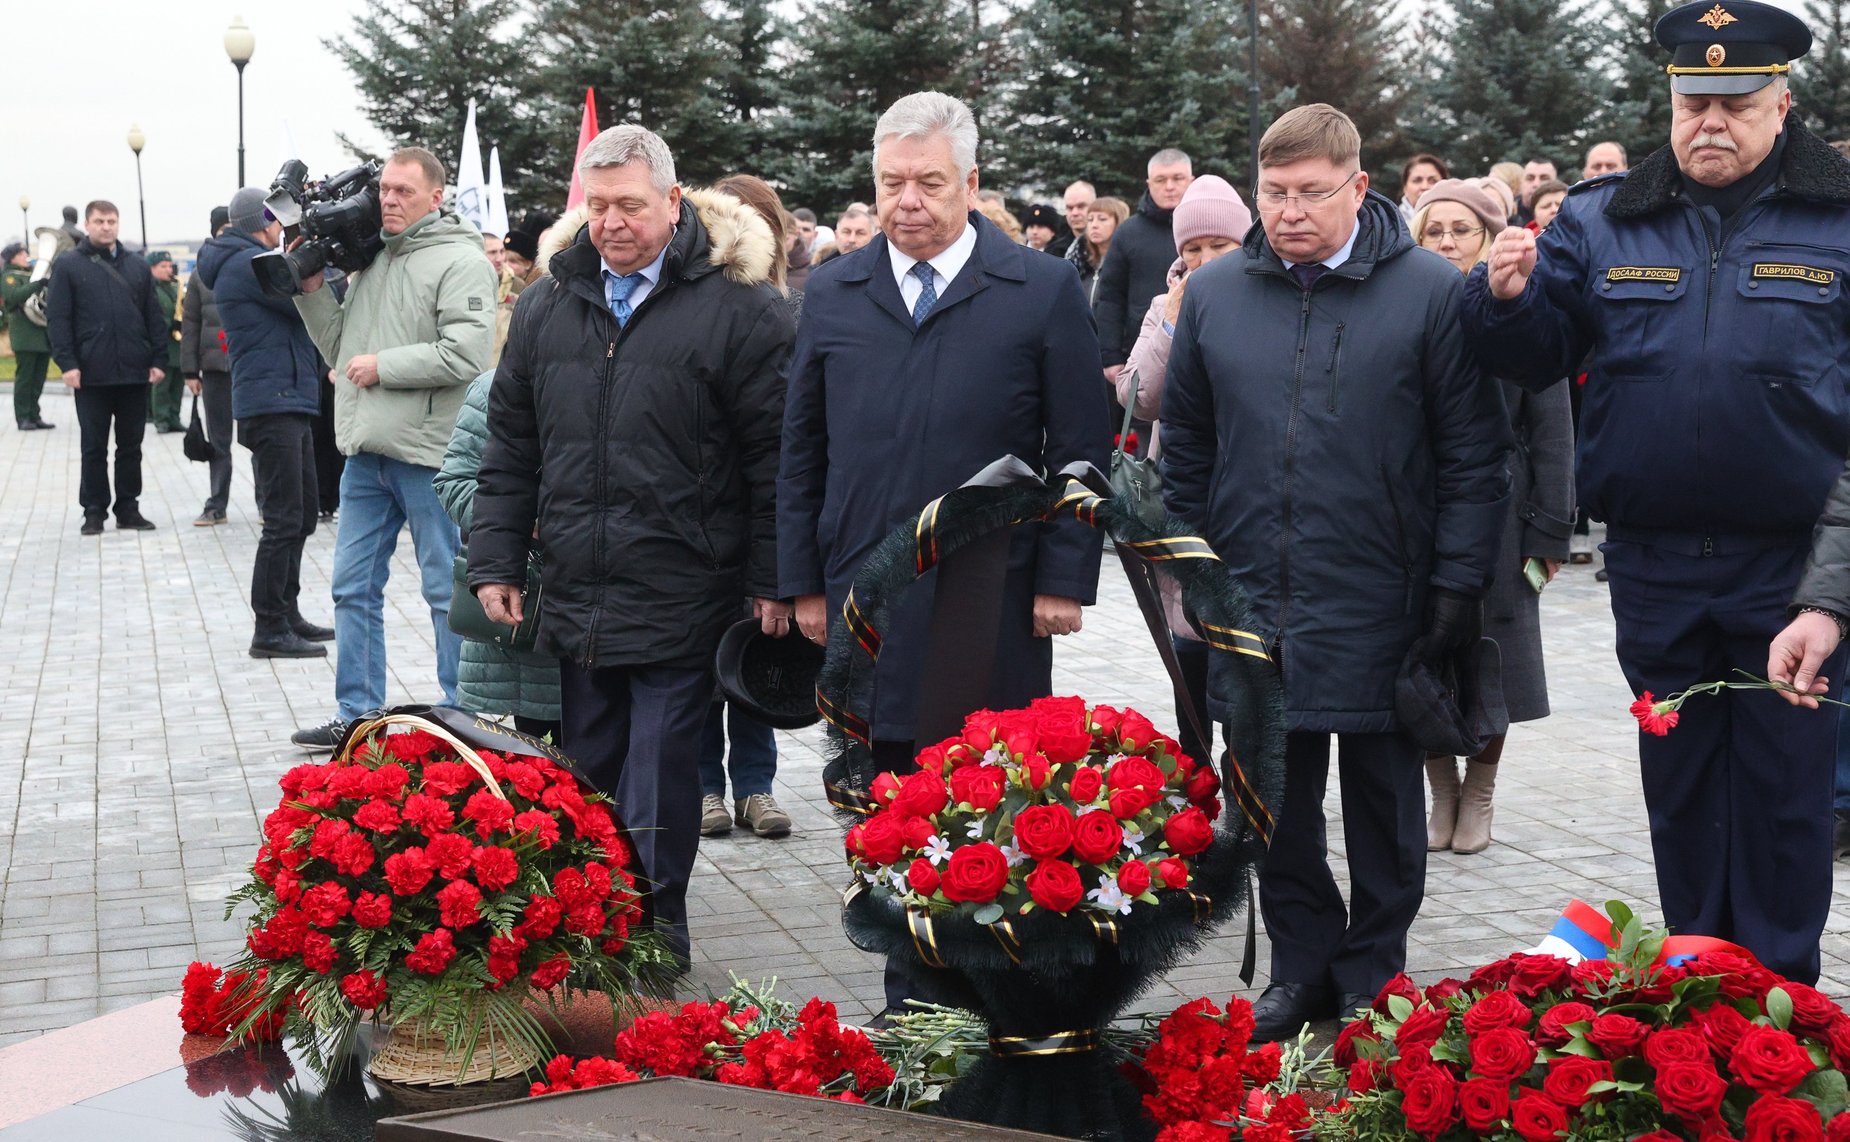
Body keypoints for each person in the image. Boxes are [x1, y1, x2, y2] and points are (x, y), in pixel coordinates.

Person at [1464, 0, 1847, 983]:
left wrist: (1829, 594)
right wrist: (1503, 298)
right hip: (1652, 565)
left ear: (1781, 105)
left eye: (1734, 103)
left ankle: (1779, 1005)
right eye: (1691, 103)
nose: (1709, 123)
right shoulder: (1604, 218)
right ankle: (1698, 987)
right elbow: (1535, 354)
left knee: (1786, 797)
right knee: (1679, 789)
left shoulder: (1838, 218)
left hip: (1791, 568)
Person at [1161, 104, 1511, 1040]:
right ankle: (1301, 966)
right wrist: (1187, 566)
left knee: (1385, 801)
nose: (1290, 212)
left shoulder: (1431, 291)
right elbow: (1186, 442)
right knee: (1272, 798)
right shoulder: (1217, 292)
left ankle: (1373, 968)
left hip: (1383, 593)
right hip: (1250, 596)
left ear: (1359, 187)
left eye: (1312, 193)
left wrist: (1456, 586)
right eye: (1274, 192)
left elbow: (1474, 455)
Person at [780, 90, 1109, 1016]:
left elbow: (1080, 447)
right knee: (884, 794)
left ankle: (989, 984)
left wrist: (1064, 577)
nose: (908, 200)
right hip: (866, 589)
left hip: (989, 593)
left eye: (929, 181)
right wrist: (800, 582)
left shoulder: (1038, 288)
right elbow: (801, 447)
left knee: (984, 788)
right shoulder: (835, 290)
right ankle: (910, 994)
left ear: (971, 181)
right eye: (892, 183)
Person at [471, 126, 795, 963]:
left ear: (674, 202)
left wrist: (775, 578)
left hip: (688, 587)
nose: (612, 222)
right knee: (591, 769)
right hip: (580, 589)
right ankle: (595, 924)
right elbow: (510, 445)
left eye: (631, 205)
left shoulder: (742, 309)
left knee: (660, 765)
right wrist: (496, 559)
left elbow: (777, 459)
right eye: (598, 205)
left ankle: (656, 928)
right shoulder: (548, 304)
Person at [287, 147, 498, 749]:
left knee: (445, 590)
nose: (389, 200)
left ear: (437, 197)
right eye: (385, 190)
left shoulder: (462, 260)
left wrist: (384, 365)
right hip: (365, 455)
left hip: (430, 456)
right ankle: (357, 715)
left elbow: (467, 353)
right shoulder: (373, 258)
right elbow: (340, 350)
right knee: (350, 588)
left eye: (404, 191)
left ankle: (462, 716)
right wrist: (311, 291)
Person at [1410, 179, 1574, 855]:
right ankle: (1441, 793)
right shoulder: (1405, 307)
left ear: (1486, 238)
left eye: (1462, 230)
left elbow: (1553, 430)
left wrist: (1550, 531)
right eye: (1434, 230)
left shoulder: (1523, 305)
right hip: (1419, 516)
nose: (1447, 241)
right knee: (1419, 655)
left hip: (1506, 519)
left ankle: (1478, 792)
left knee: (1496, 661)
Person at [1115, 175, 1253, 767]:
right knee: (1187, 640)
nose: (1204, 260)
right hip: (1179, 497)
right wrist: (1173, 317)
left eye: (1219, 246)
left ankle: (1245, 775)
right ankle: (1196, 770)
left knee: (1242, 647)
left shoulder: (1263, 303)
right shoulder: (1163, 307)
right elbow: (1138, 396)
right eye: (1192, 249)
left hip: (1246, 497)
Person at [197, 185, 335, 659]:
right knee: (282, 520)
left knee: (302, 513)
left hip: (286, 398)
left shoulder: (248, 259)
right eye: (278, 218)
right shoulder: (247, 265)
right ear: (265, 221)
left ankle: (287, 611)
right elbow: (303, 298)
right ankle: (270, 627)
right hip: (271, 402)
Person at [703, 170, 800, 840]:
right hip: (705, 514)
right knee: (704, 658)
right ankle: (706, 787)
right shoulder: (701, 305)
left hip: (768, 508)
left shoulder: (790, 309)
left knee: (762, 650)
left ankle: (756, 786)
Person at [434, 370, 561, 742]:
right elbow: (455, 482)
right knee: (548, 754)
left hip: (620, 618)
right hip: (534, 622)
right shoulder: (495, 388)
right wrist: (526, 519)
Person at [45, 200, 167, 535]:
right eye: (99, 221)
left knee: (131, 447)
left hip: (133, 372)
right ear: (87, 224)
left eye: (111, 221)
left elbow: (153, 316)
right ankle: (94, 510)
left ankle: (128, 508)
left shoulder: (137, 266)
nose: (106, 227)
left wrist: (158, 359)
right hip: (91, 374)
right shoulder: (68, 265)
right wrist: (67, 363)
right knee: (93, 447)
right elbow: (58, 319)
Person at [1094, 148, 1195, 381]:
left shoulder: (1209, 227)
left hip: (1200, 350)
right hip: (1141, 356)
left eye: (1177, 178)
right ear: (1149, 184)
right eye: (1160, 180)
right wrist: (1110, 356)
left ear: (1191, 180)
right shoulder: (1128, 233)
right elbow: (1110, 297)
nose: (1169, 186)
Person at [181, 207, 234, 525]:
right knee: (218, 441)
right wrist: (190, 370)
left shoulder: (251, 264)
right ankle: (217, 504)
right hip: (214, 368)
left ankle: (267, 503)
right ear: (214, 232)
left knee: (259, 438)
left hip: (247, 365)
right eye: (223, 230)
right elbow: (190, 323)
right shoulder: (201, 273)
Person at [1, 242, 54, 430]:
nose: (26, 256)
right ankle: (23, 417)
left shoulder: (31, 275)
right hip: (25, 334)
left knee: (38, 379)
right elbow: (15, 296)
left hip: (41, 332)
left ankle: (34, 415)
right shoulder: (8, 276)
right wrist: (37, 284)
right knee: (25, 379)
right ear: (13, 257)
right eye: (22, 254)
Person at [146, 251, 185, 433]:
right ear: (152, 269)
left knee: (177, 383)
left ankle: (174, 417)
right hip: (161, 342)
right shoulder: (150, 289)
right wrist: (169, 323)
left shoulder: (174, 287)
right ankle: (161, 418)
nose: (168, 269)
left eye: (169, 266)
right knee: (162, 384)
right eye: (163, 266)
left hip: (177, 343)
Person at [1065, 195, 1128, 301]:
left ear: (1118, 223)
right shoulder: (1080, 263)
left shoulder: (1125, 265)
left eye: (1102, 219)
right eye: (1090, 219)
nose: (1094, 225)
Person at [1398, 153, 1449, 220]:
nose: (1424, 187)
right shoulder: (1391, 222)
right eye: (1417, 180)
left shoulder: (1458, 218)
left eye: (1433, 181)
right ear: (1405, 188)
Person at [1052, 180, 1094, 258]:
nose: (1074, 213)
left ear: (1094, 205)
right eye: (1070, 208)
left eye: (1081, 206)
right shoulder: (1054, 252)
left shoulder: (1111, 248)